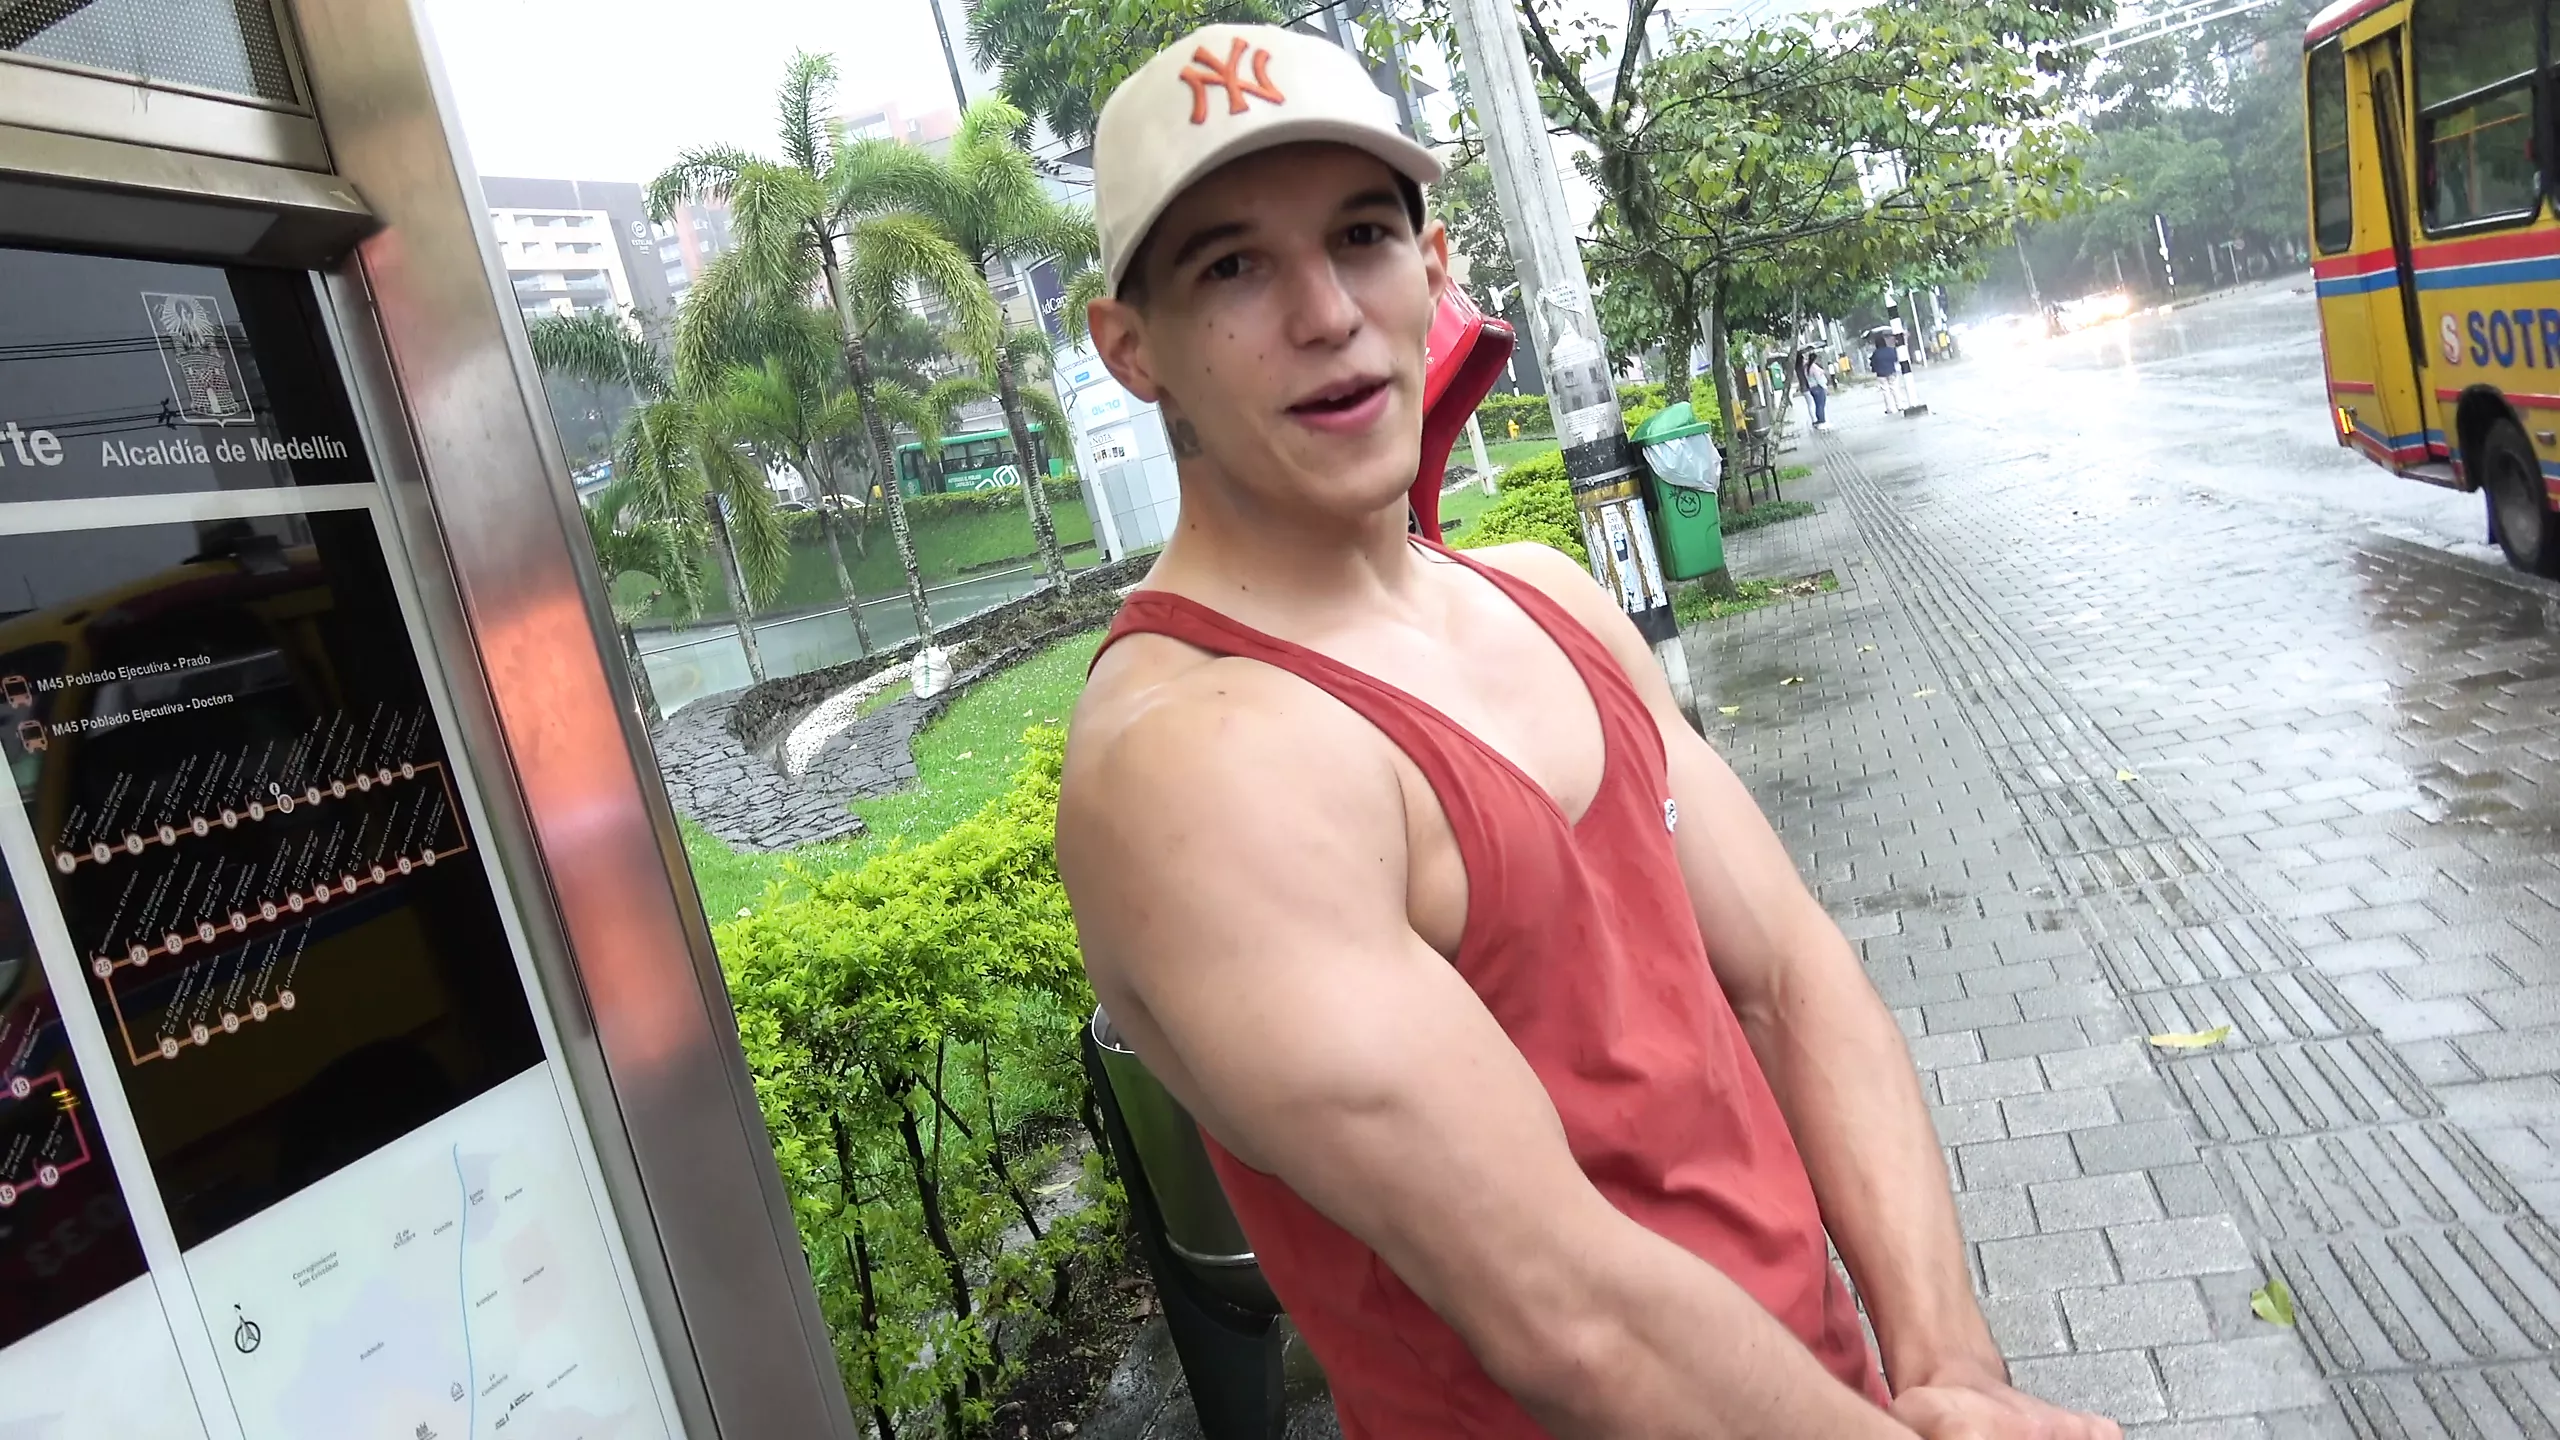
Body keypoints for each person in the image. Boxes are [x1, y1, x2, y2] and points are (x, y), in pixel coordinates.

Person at [1057, 23, 2120, 1440]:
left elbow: (1791, 977)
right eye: (1230, 267)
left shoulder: (1545, 597)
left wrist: (1951, 1373)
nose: (1325, 313)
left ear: (1434, 267)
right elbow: (1565, 1309)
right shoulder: (1189, 765)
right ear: (1132, 349)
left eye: (1361, 236)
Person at [1870, 328, 1907, 412]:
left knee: (1885, 391)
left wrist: (1875, 369)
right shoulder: (1891, 350)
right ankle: (1899, 406)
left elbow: (1873, 363)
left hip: (1881, 374)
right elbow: (1895, 359)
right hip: (1891, 372)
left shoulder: (1875, 353)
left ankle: (1889, 408)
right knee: (1894, 389)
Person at [1798, 347, 1830, 428]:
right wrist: (1825, 387)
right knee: (1821, 405)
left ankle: (1819, 420)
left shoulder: (1806, 367)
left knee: (1817, 404)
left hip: (1812, 388)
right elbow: (1818, 378)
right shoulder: (1813, 367)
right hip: (1818, 387)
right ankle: (1822, 421)